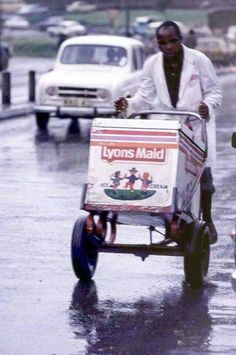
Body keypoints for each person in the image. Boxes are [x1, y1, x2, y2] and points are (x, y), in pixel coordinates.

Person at [115, 20, 222, 244]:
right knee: (167, 176)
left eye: (173, 41)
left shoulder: (199, 60)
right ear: (158, 44)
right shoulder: (151, 65)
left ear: (180, 39)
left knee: (204, 179)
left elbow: (214, 93)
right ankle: (173, 218)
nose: (169, 46)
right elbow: (143, 98)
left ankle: (208, 220)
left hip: (195, 125)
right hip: (168, 126)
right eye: (163, 42)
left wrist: (207, 106)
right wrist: (127, 105)